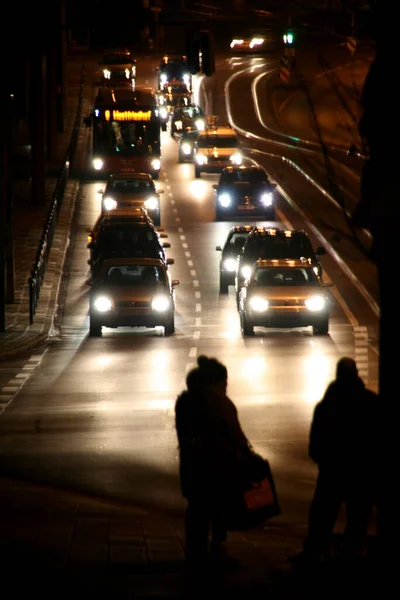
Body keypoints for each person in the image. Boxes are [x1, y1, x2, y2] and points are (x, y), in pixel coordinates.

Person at [292, 357, 379, 565]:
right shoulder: (371, 401)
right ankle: (353, 552)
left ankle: (315, 551)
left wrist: (321, 457)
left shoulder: (327, 404)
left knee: (322, 514)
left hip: (333, 469)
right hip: (362, 470)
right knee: (358, 515)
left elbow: (316, 439)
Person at [175, 355, 251, 568]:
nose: (227, 385)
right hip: (219, 466)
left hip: (192, 466)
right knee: (219, 510)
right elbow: (235, 435)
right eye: (224, 381)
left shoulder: (185, 401)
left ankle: (195, 552)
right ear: (215, 381)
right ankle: (218, 552)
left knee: (196, 511)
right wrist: (246, 453)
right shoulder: (220, 403)